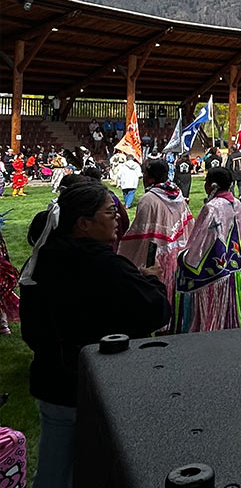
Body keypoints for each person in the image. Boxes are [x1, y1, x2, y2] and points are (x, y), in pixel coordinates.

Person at [19, 182, 170, 487]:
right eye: (110, 212)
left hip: (52, 382)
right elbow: (155, 310)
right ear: (84, 224)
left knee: (54, 468)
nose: (117, 218)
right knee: (99, 470)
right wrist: (151, 282)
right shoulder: (103, 265)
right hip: (95, 386)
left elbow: (31, 329)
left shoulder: (41, 260)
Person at [173, 167, 241, 332]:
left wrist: (184, 258)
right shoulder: (236, 203)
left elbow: (200, 239)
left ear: (212, 186)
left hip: (216, 274)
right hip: (235, 267)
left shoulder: (212, 207)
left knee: (214, 309)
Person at [117, 159, 194, 331]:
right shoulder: (177, 194)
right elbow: (188, 224)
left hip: (156, 257)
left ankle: (163, 326)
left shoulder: (149, 199)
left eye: (144, 174)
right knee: (174, 295)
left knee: (160, 292)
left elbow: (140, 234)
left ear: (150, 178)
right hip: (177, 251)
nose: (143, 177)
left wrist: (124, 253)